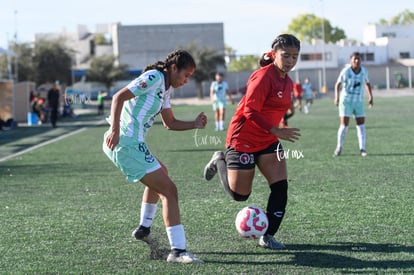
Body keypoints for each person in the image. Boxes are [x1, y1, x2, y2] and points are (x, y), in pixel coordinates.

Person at [103, 49, 207, 264]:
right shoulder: (154, 77)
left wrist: (194, 124)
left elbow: (170, 123)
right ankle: (178, 251)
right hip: (126, 144)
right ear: (174, 68)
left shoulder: (165, 89)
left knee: (163, 175)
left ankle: (144, 228)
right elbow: (118, 97)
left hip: (134, 144)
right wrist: (114, 129)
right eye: (185, 75)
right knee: (169, 191)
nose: (186, 81)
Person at [203, 34, 301, 249]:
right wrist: (276, 129)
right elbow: (249, 111)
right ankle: (220, 159)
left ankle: (268, 236)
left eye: (295, 57)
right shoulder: (262, 77)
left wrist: (276, 130)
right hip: (243, 139)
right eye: (286, 56)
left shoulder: (287, 81)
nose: (291, 61)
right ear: (274, 54)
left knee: (280, 188)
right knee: (240, 195)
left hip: (267, 141)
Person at [333, 52, 373, 157]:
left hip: (358, 101)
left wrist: (370, 97)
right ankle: (339, 147)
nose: (357, 61)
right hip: (346, 101)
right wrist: (336, 97)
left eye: (358, 59)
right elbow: (338, 84)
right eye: (355, 59)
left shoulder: (364, 71)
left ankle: (362, 149)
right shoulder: (346, 71)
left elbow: (367, 83)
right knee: (344, 125)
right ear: (351, 60)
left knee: (361, 125)